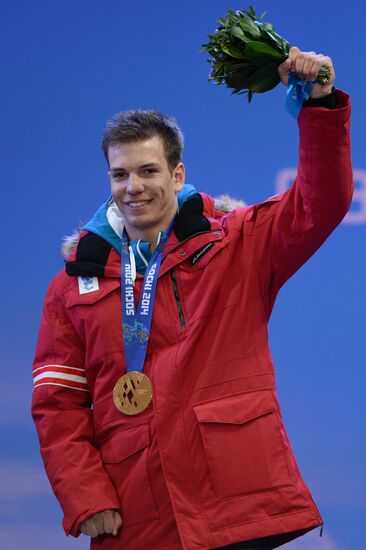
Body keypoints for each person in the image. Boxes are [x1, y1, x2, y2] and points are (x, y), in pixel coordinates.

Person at [32, 47, 353, 550]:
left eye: (148, 171)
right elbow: (57, 405)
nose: (133, 187)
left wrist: (319, 107)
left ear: (177, 176)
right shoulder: (73, 286)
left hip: (235, 506)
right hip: (137, 514)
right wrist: (84, 497)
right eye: (120, 175)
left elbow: (321, 203)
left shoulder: (238, 245)